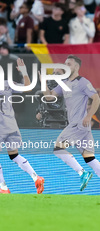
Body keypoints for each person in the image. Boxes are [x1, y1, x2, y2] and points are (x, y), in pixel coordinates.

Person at [0, 58, 45, 194]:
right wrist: (24, 71)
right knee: (14, 155)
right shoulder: (8, 84)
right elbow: (28, 87)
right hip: (12, 125)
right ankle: (36, 177)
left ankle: (4, 187)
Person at [41, 55, 100, 191]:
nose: (66, 66)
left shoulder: (83, 82)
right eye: (65, 63)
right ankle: (84, 171)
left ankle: (82, 173)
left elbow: (96, 98)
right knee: (90, 159)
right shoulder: (65, 83)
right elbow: (49, 96)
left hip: (78, 124)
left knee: (58, 148)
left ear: (77, 67)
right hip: (81, 127)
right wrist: (43, 81)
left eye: (69, 64)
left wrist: (89, 116)